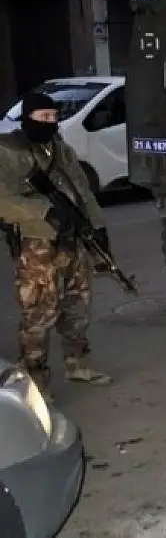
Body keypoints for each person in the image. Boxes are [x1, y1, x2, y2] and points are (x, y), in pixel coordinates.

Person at [0, 92, 115, 402]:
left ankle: (78, 363)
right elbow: (3, 199)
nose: (49, 123)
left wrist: (98, 226)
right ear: (27, 118)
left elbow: (82, 189)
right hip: (38, 244)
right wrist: (43, 211)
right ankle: (34, 383)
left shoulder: (60, 148)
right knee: (39, 313)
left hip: (73, 239)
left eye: (53, 117)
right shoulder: (9, 151)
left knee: (77, 305)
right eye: (42, 118)